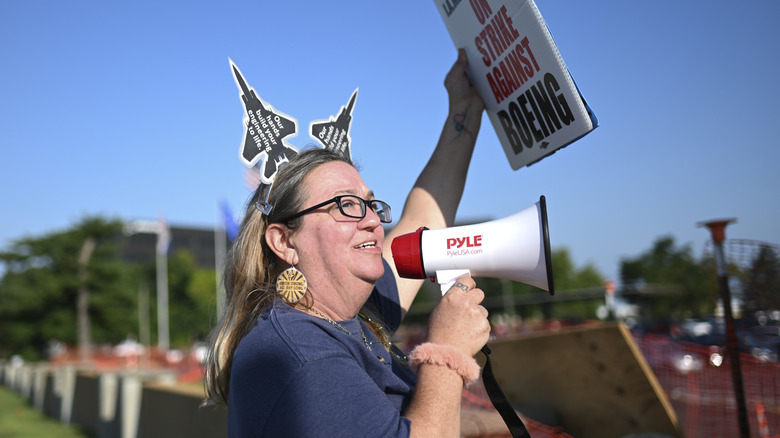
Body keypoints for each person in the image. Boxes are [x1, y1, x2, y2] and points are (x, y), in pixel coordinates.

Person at [205, 49, 489, 437]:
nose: (372, 220)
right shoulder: (301, 354)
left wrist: (465, 111)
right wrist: (447, 352)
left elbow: (422, 221)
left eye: (371, 204)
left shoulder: (350, 315)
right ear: (285, 242)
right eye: (346, 205)